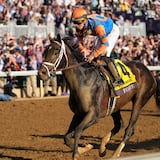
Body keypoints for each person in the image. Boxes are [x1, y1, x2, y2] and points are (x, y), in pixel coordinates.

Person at [71, 7, 123, 86]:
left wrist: (93, 55)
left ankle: (117, 78)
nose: (76, 26)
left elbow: (105, 44)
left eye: (78, 23)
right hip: (101, 31)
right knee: (93, 53)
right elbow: (78, 42)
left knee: (104, 53)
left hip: (111, 31)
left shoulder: (98, 27)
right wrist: (83, 50)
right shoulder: (81, 25)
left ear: (84, 21)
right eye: (74, 22)